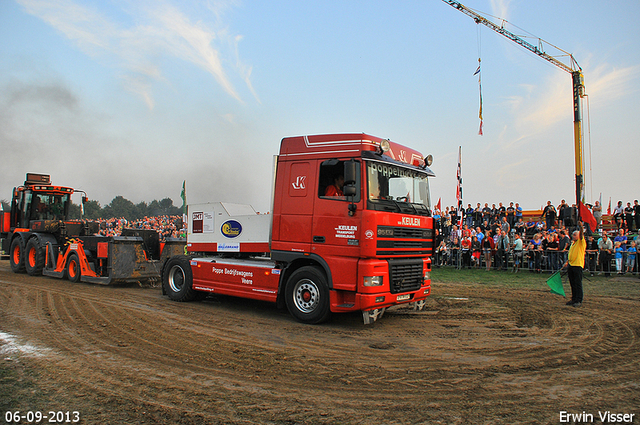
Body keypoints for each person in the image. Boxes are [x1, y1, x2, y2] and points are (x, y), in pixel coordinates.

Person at [563, 221, 586, 307]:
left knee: (578, 283)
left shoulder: (581, 242)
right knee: (572, 283)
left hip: (577, 265)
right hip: (571, 265)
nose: (573, 236)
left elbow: (582, 234)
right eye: (573, 235)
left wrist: (581, 227)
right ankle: (574, 298)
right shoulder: (573, 243)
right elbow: (571, 253)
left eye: (575, 235)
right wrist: (567, 262)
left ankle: (579, 300)